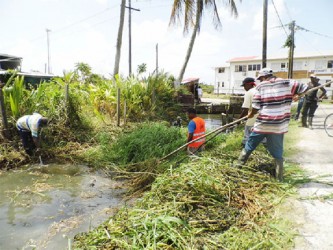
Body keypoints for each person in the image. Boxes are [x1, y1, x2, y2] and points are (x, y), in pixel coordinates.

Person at [237, 68, 308, 181]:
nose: (260, 81)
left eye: (260, 78)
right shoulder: (287, 82)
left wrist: (250, 114)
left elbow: (255, 107)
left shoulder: (260, 87)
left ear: (264, 77)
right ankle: (279, 179)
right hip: (279, 125)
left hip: (263, 123)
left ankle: (236, 168)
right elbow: (305, 87)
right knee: (278, 152)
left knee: (249, 146)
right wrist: (298, 95)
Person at [239, 77, 258, 147]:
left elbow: (245, 110)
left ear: (249, 85)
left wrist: (239, 120)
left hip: (252, 118)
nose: (244, 88)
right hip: (261, 119)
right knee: (261, 136)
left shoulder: (249, 93)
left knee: (247, 135)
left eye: (244, 86)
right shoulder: (258, 91)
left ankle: (243, 149)